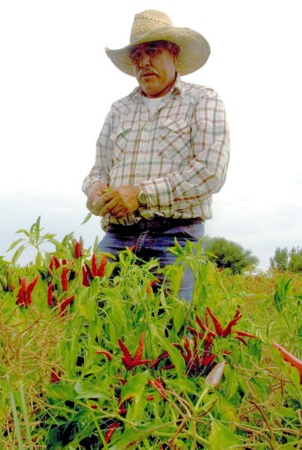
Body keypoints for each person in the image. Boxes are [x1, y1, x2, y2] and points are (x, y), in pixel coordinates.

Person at [82, 10, 230, 302]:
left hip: (174, 238)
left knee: (168, 335)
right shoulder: (119, 109)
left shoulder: (203, 100)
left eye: (152, 50)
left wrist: (141, 194)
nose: (144, 61)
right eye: (137, 55)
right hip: (118, 237)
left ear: (173, 53)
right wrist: (95, 189)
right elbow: (98, 170)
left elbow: (211, 171)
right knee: (95, 329)